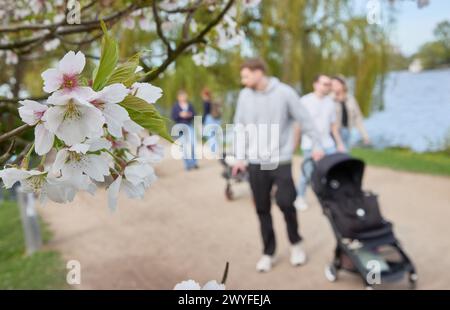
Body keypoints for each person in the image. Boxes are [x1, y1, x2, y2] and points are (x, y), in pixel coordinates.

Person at [231, 58, 324, 273]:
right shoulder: (245, 96)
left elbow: (305, 119)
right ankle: (268, 252)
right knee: (262, 207)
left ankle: (296, 243)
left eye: (245, 75)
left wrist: (317, 144)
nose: (243, 81)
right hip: (255, 160)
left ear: (258, 72)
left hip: (279, 159)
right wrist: (239, 157)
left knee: (286, 202)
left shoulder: (284, 92)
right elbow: (239, 126)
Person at [294, 74, 346, 211]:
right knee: (307, 173)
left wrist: (340, 143)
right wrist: (305, 145)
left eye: (329, 84)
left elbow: (333, 126)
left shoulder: (330, 103)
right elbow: (301, 126)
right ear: (315, 84)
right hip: (310, 145)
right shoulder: (305, 101)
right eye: (324, 84)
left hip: (328, 144)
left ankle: (332, 198)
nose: (327, 87)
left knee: (333, 171)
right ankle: (300, 197)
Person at [331, 75, 370, 150]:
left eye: (337, 84)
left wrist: (365, 136)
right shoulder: (329, 99)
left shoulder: (350, 99)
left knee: (345, 157)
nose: (334, 87)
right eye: (332, 85)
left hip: (347, 131)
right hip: (332, 133)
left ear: (343, 85)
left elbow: (358, 118)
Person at [171, 90, 198, 170]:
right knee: (184, 146)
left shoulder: (189, 105)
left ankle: (194, 162)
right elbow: (173, 116)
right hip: (180, 127)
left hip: (189, 126)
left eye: (184, 96)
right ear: (178, 97)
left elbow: (194, 114)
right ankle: (187, 165)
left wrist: (189, 114)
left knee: (193, 144)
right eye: (181, 96)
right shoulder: (176, 106)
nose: (183, 98)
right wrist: (180, 115)